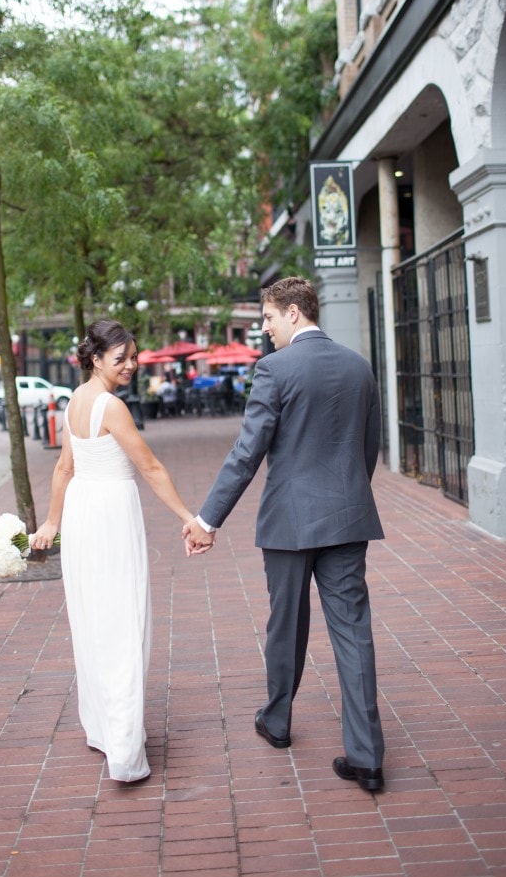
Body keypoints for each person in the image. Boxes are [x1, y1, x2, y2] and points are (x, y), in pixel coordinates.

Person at [183, 277, 386, 792]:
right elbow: (369, 447)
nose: (265, 329)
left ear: (293, 313)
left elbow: (247, 452)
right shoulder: (360, 366)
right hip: (347, 516)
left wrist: (207, 521)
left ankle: (277, 722)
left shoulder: (275, 369)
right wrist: (345, 495)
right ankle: (366, 756)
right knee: (353, 631)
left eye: (269, 318)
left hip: (290, 522)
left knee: (285, 626)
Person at [30, 319, 195, 783]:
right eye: (120, 358)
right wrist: (188, 517)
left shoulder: (73, 401)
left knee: (94, 622)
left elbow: (65, 469)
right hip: (110, 517)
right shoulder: (111, 406)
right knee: (122, 623)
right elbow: (150, 465)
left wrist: (53, 522)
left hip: (83, 514)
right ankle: (123, 750)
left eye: (133, 356)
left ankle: (103, 728)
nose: (131, 365)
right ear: (96, 358)